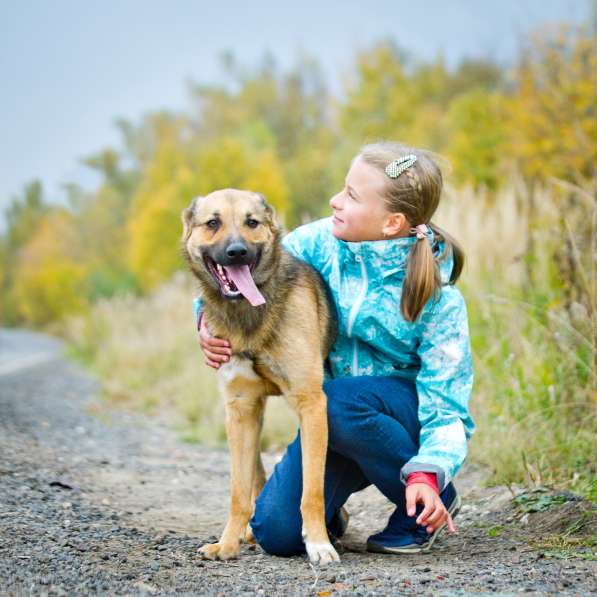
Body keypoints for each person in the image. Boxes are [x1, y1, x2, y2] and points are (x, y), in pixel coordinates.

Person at [196, 141, 474, 555]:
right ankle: (328, 512)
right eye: (342, 188)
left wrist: (428, 471)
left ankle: (423, 503)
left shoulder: (439, 299)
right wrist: (204, 317)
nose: (335, 200)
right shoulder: (317, 243)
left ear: (391, 222)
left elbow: (447, 408)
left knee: (338, 402)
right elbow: (240, 271)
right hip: (335, 420)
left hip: (397, 421)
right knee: (276, 532)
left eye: (351, 196)